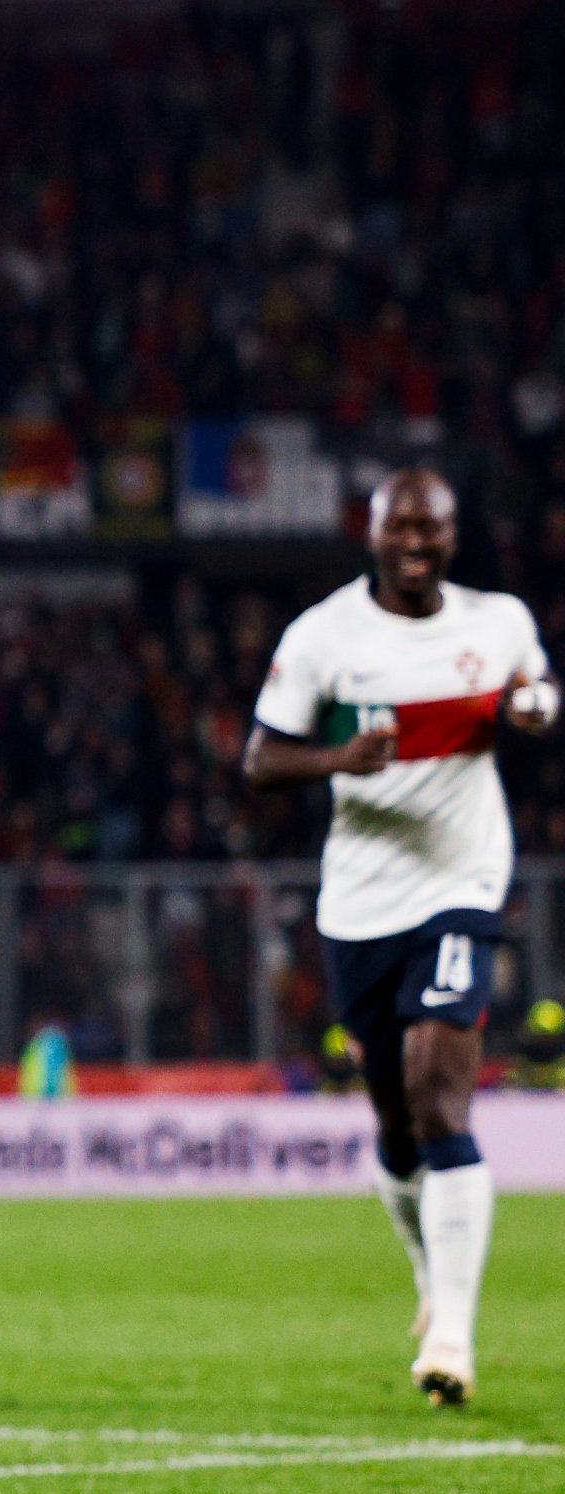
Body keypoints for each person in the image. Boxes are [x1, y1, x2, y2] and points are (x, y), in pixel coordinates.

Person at [242, 466, 557, 1406]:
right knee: (395, 1119)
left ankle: (452, 1340)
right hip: (361, 902)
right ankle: (433, 1272)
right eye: (401, 529)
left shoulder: (496, 623)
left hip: (462, 883)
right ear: (372, 534)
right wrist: (340, 756)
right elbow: (260, 758)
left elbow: (535, 693)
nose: (418, 543)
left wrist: (534, 708)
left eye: (435, 529)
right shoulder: (325, 637)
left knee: (439, 1091)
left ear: (454, 536)